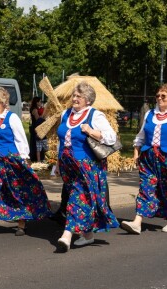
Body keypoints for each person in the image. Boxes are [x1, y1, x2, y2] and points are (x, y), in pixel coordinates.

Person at [0, 87, 51, 239]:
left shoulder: (12, 118)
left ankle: (21, 223)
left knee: (17, 191)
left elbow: (21, 139)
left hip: (12, 161)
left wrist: (25, 159)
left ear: (4, 102)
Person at [55, 81, 119, 252]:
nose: (74, 99)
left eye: (78, 96)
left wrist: (90, 131)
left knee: (77, 197)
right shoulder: (65, 114)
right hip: (67, 163)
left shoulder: (95, 115)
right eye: (74, 96)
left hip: (86, 165)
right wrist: (57, 163)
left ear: (88, 100)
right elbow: (61, 141)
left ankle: (66, 235)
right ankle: (88, 236)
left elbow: (111, 137)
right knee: (78, 197)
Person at [120, 84, 167, 235]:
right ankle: (137, 222)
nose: (159, 98)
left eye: (163, 96)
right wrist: (135, 151)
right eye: (158, 96)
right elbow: (141, 135)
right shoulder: (150, 114)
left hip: (165, 157)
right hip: (148, 157)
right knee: (145, 186)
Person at [29, 96, 42, 162]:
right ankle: (35, 157)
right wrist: (43, 116)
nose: (40, 103)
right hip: (35, 126)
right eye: (40, 101)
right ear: (37, 102)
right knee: (35, 142)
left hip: (34, 126)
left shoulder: (33, 108)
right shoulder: (35, 110)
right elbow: (37, 119)